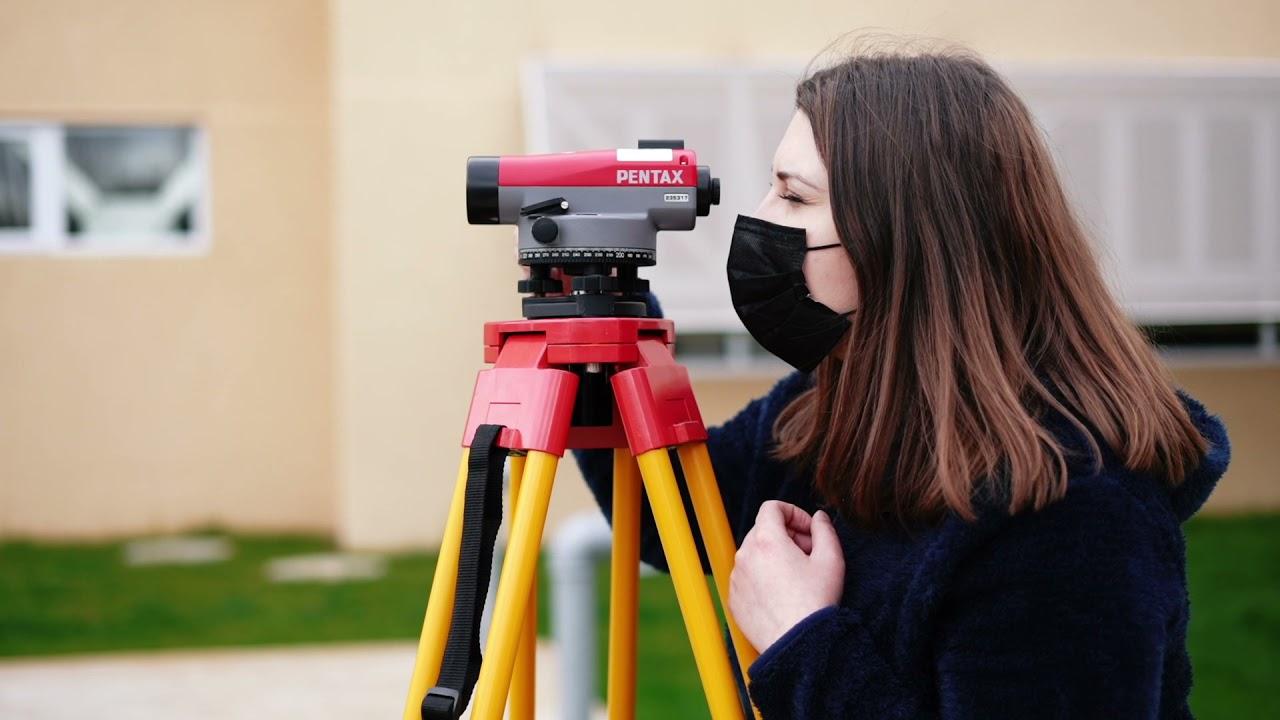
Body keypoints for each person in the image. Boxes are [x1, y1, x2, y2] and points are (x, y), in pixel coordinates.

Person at [570, 38, 1231, 719]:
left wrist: (803, 640)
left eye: (794, 197)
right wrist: (601, 324)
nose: (761, 217)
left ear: (899, 238)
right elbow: (666, 511)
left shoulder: (1075, 514)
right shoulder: (838, 399)